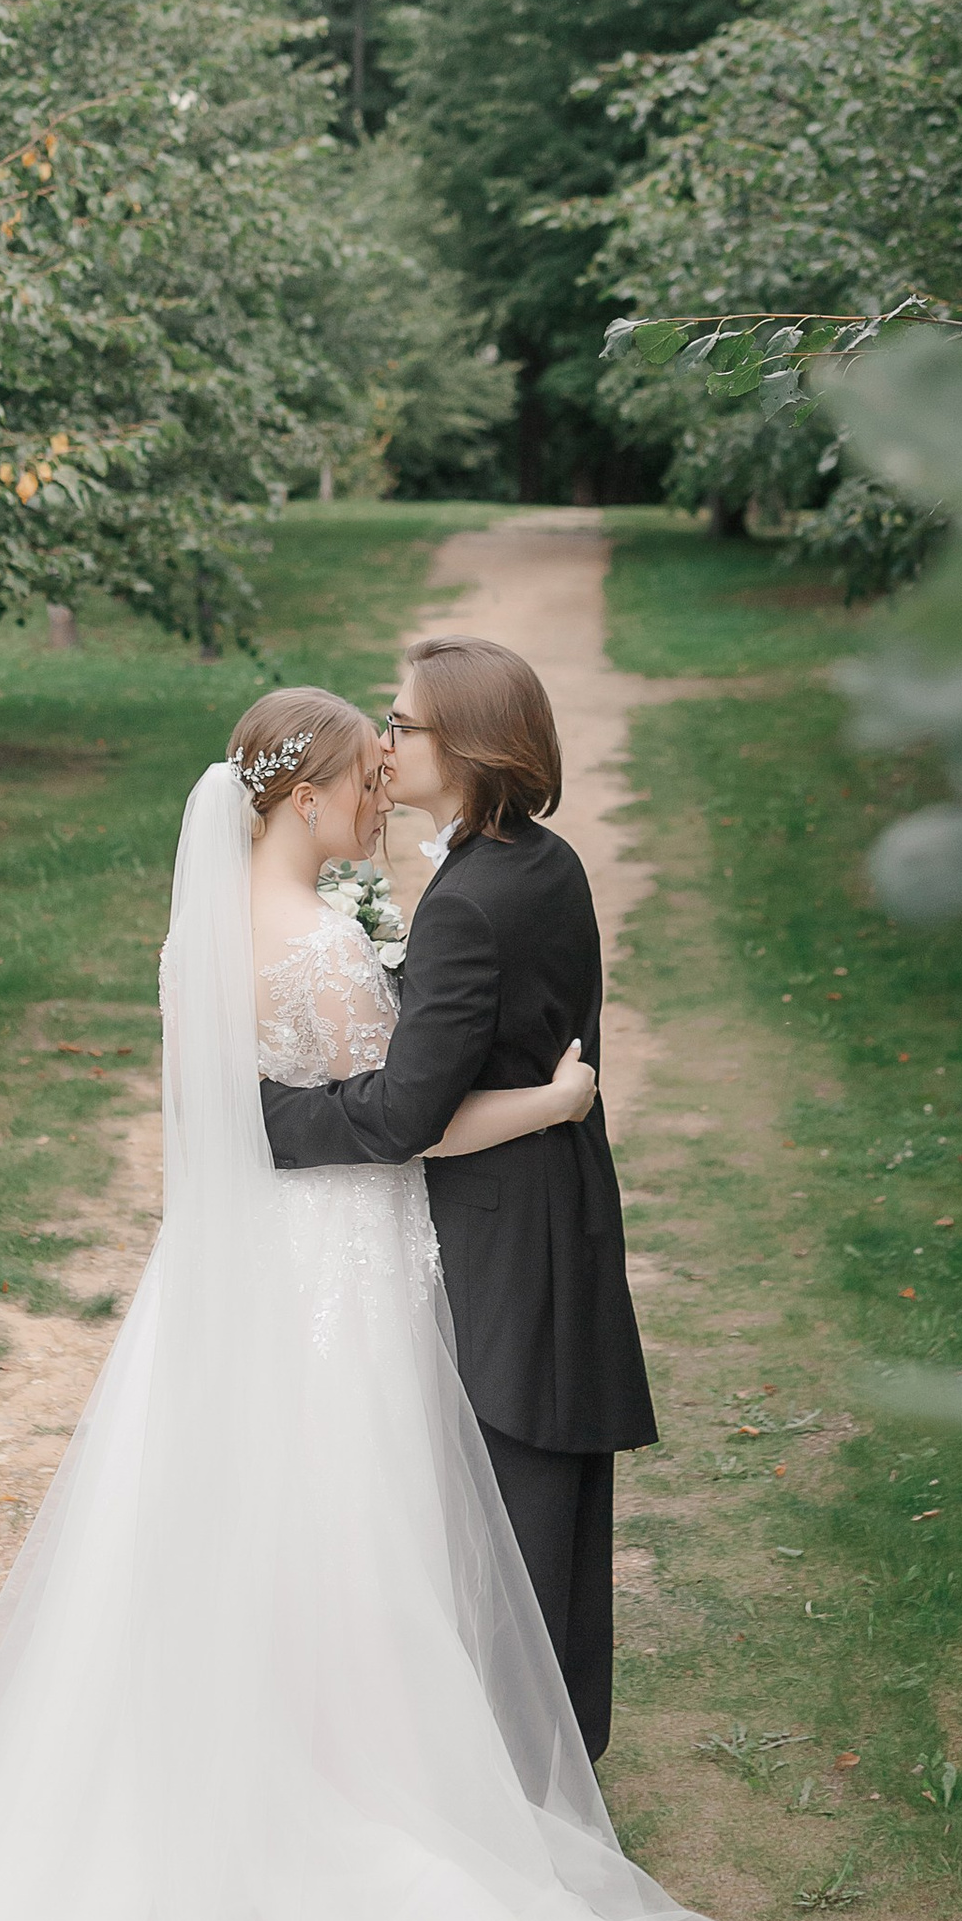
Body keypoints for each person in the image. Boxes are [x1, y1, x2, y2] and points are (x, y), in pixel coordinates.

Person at [0, 688, 746, 1921]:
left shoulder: (215, 930)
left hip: (246, 1271)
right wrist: (558, 1100)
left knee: (244, 1531)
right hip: (341, 1273)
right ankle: (359, 1806)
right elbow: (405, 1118)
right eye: (367, 779)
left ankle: (239, 1792)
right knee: (354, 1529)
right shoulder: (318, 939)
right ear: (304, 796)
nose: (382, 796)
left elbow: (256, 1109)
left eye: (396, 767)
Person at [260, 636, 649, 1760]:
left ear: (467, 747)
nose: (383, 744)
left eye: (401, 725)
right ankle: (554, 1759)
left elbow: (398, 1116)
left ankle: (518, 1777)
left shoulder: (472, 902)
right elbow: (478, 1038)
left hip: (501, 1233)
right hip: (556, 1204)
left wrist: (261, 1119)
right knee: (549, 1509)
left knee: (514, 1505)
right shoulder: (543, 863)